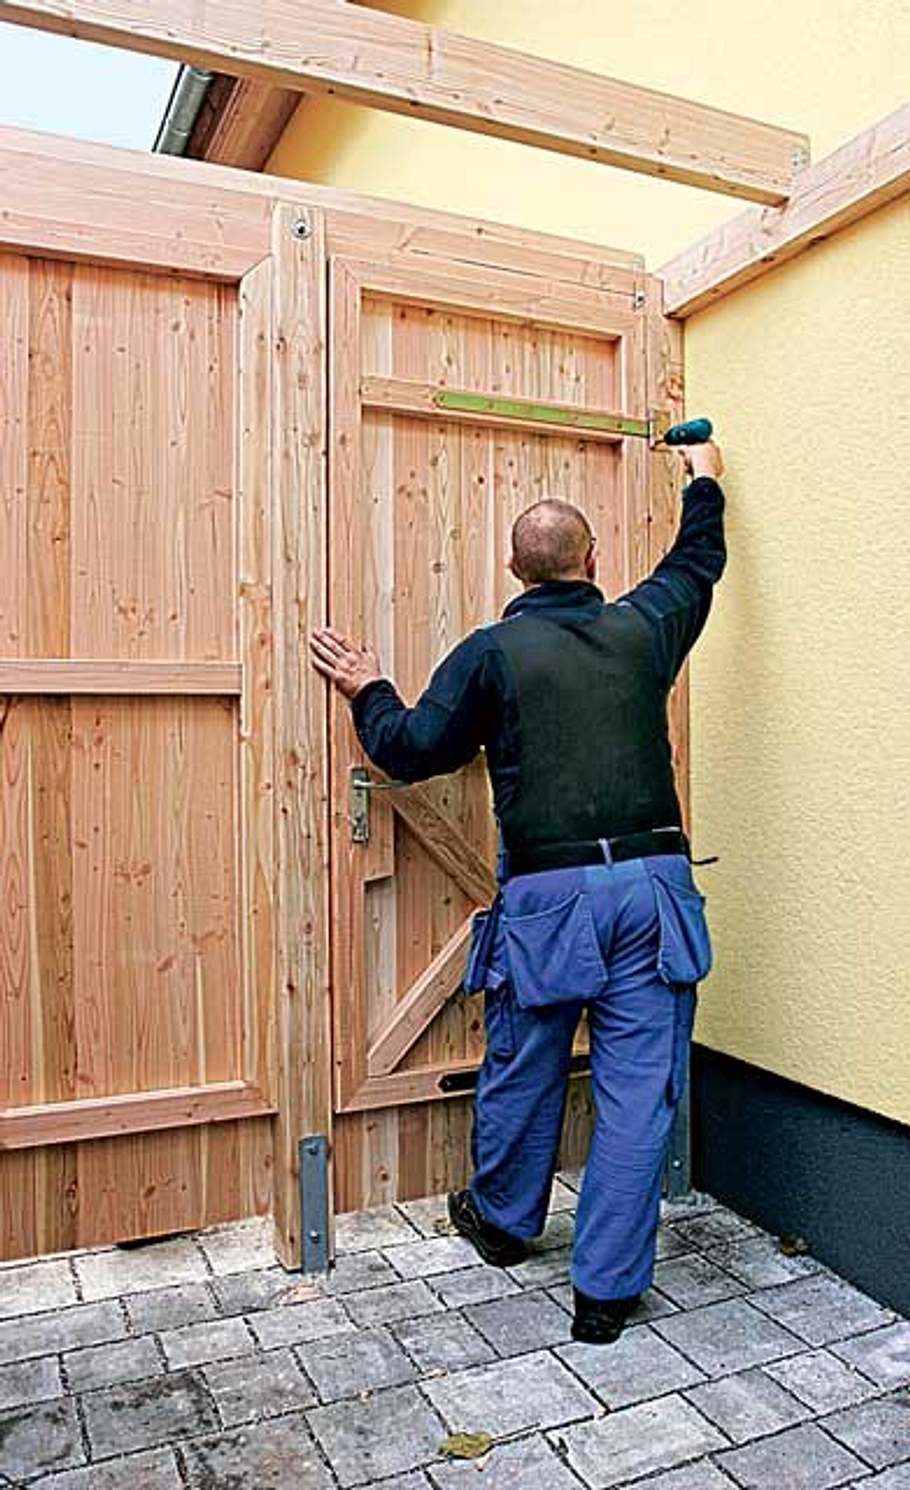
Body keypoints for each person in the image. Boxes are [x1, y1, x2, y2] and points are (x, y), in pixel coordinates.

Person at [310, 441, 726, 1345]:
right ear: (595, 563)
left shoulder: (492, 653)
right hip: (653, 891)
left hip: (550, 899)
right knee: (637, 1093)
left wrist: (366, 685)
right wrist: (705, 481)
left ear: (513, 569)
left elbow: (413, 748)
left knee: (524, 1059)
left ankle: (502, 1223)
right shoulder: (643, 626)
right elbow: (698, 564)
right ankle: (606, 1298)